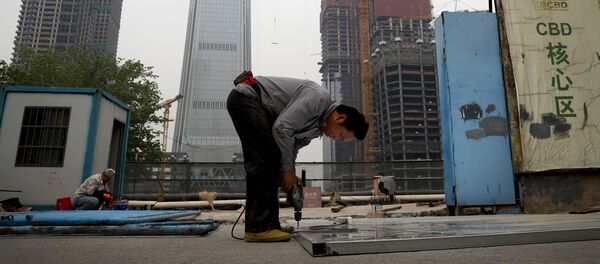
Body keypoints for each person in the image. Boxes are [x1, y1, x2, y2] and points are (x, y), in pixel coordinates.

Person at [227, 72, 369, 242]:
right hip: (247, 98)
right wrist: (287, 171)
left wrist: (289, 176)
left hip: (256, 105)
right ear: (340, 117)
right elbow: (282, 128)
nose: (337, 139)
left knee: (273, 155)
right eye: (341, 136)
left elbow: (291, 146)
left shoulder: (316, 129)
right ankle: (258, 228)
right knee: (266, 155)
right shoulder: (318, 99)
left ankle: (270, 225)